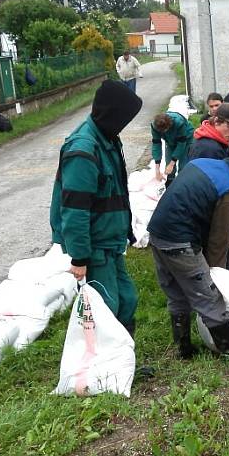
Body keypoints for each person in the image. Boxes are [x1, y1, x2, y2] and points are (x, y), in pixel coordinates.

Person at [148, 139, 229, 358]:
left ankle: (183, 350)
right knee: (209, 298)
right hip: (180, 241)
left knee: (177, 294)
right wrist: (217, 278)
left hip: (157, 232)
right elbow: (218, 242)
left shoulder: (204, 163)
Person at [50, 79, 143, 336]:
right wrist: (80, 257)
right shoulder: (83, 150)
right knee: (105, 307)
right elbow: (75, 210)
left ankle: (124, 363)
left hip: (111, 242)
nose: (126, 124)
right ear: (112, 113)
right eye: (125, 117)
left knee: (127, 300)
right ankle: (104, 371)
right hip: (94, 247)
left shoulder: (108, 139)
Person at [151, 110, 194, 187]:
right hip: (170, 141)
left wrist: (172, 163)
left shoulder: (179, 122)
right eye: (161, 132)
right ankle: (170, 184)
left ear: (169, 126)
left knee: (183, 165)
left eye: (165, 130)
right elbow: (156, 144)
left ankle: (182, 184)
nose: (163, 132)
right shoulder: (155, 126)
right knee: (168, 164)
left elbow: (181, 144)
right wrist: (157, 170)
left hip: (186, 139)